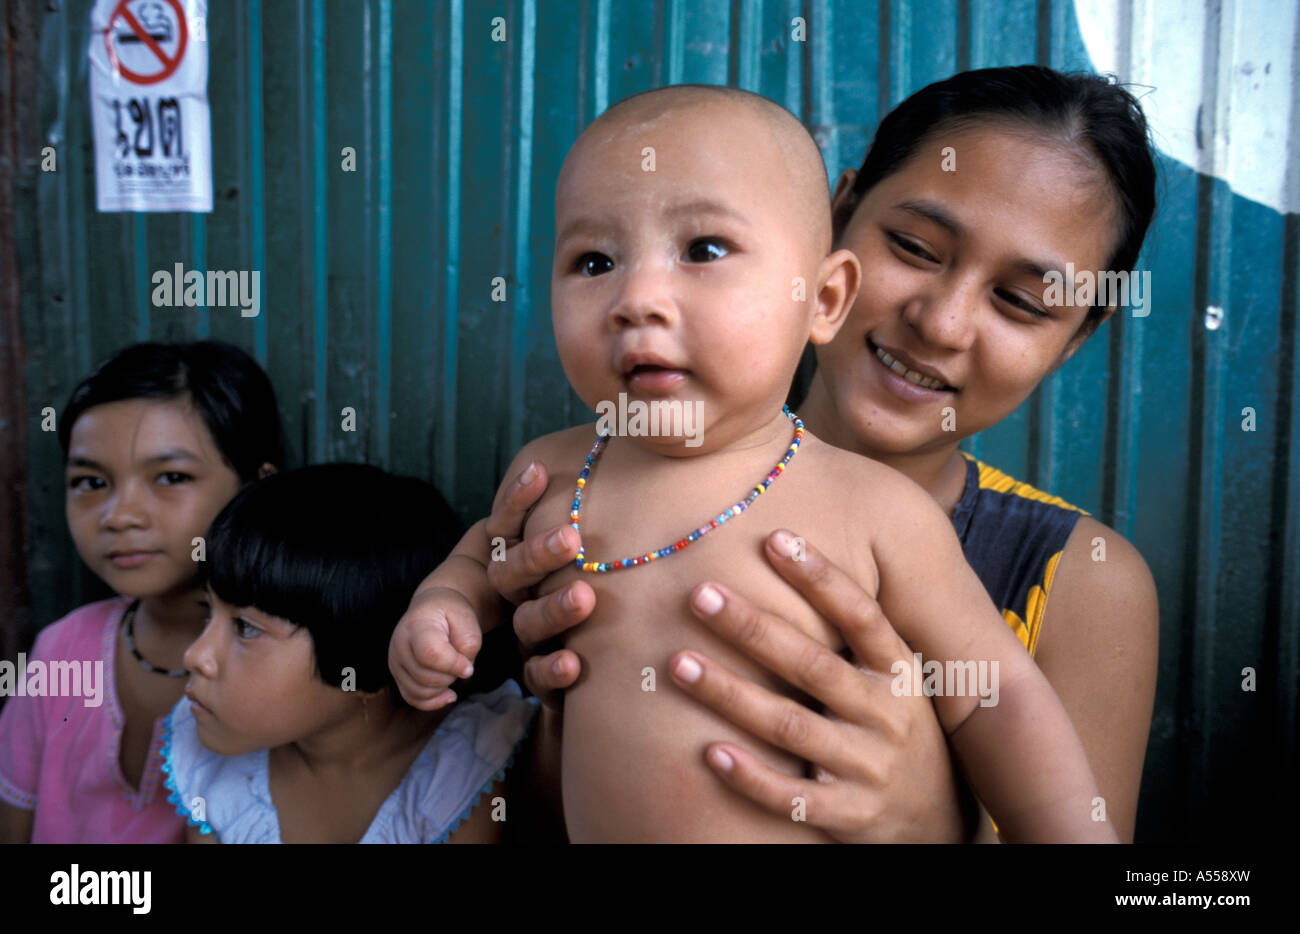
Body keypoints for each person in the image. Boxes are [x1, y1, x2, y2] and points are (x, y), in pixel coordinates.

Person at [391, 84, 1115, 842]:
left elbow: (996, 692)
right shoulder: (553, 469)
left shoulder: (871, 508)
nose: (637, 298)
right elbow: (485, 557)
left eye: (704, 250)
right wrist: (446, 607)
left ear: (824, 298)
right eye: (594, 259)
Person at [0, 341, 284, 843]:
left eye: (171, 477)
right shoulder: (62, 651)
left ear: (255, 489)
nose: (119, 515)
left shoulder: (290, 675)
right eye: (90, 482)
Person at [164, 463, 538, 843]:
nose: (195, 655)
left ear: (367, 660)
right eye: (206, 611)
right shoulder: (216, 771)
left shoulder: (466, 776)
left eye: (246, 628)